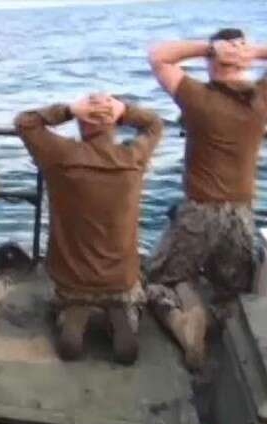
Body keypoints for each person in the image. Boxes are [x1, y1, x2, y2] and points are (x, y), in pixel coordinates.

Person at [146, 30, 267, 369]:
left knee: (157, 281)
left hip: (197, 214)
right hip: (240, 217)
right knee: (234, 292)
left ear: (210, 63)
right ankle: (212, 318)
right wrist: (252, 53)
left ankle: (183, 323)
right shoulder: (260, 100)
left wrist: (210, 49)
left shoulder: (197, 97)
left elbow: (158, 56)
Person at [14, 94, 163, 364]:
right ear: (114, 124)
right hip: (120, 279)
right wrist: (125, 110)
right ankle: (120, 311)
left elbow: (25, 122)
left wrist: (69, 109)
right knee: (133, 288)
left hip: (71, 280)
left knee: (64, 290)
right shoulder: (133, 157)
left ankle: (72, 312)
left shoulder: (60, 155)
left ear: (81, 123)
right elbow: (155, 125)